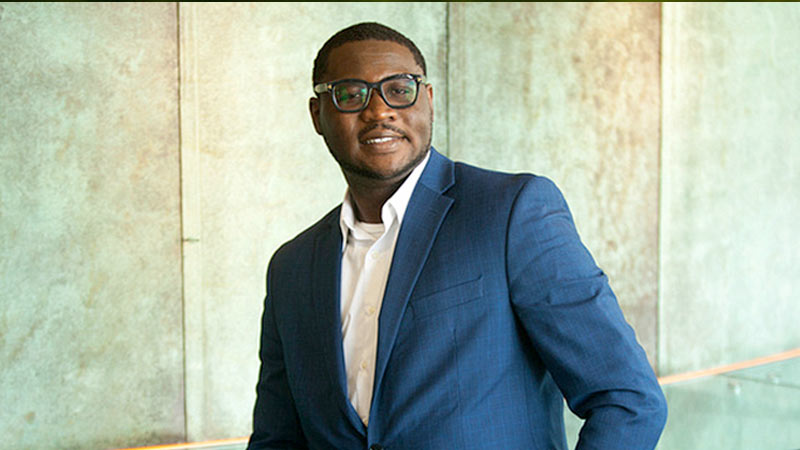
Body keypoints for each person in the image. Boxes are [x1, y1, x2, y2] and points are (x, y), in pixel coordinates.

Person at [248, 22, 667, 450]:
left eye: (399, 89)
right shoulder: (292, 268)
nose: (379, 111)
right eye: (351, 95)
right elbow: (276, 438)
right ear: (318, 115)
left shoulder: (510, 212)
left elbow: (627, 398)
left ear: (428, 102)